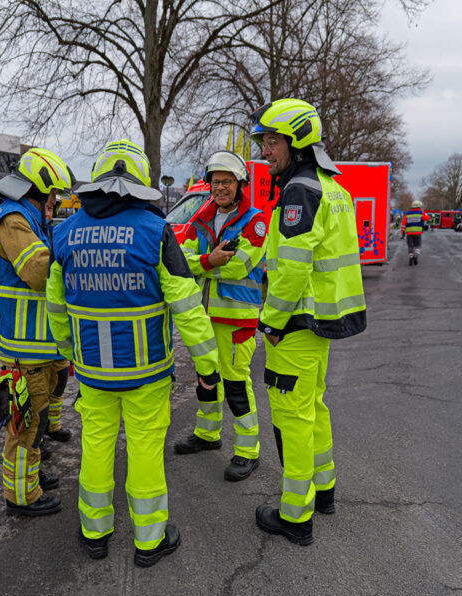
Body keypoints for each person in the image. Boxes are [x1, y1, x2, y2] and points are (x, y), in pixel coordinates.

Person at [46, 139, 220, 567]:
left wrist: (70, 353)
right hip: (146, 374)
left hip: (92, 374)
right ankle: (149, 540)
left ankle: (94, 533)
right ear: (141, 184)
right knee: (145, 452)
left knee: (97, 448)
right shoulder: (156, 231)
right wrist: (208, 366)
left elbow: (55, 307)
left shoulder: (63, 232)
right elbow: (187, 307)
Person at [248, 99, 366, 545]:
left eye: (272, 141)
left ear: (296, 142)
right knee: (313, 407)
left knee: (291, 418)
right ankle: (323, 491)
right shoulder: (331, 185)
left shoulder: (299, 190)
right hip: (321, 323)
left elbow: (294, 268)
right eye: (264, 141)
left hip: (295, 324)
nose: (265, 150)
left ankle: (295, 516)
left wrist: (271, 321)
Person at [0, 148, 74, 517]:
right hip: (22, 345)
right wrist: (78, 259)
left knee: (41, 412)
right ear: (38, 189)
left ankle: (32, 472)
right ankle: (22, 497)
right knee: (27, 422)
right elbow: (39, 272)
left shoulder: (29, 216)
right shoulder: (14, 220)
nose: (56, 202)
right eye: (54, 194)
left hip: (38, 343)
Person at [172, 151, 267, 481]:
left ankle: (247, 451)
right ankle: (207, 435)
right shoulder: (200, 217)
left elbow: (240, 264)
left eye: (227, 181)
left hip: (237, 320)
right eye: (216, 182)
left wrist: (203, 262)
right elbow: (181, 261)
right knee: (207, 382)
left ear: (240, 184)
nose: (220, 187)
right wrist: (210, 260)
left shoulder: (255, 221)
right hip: (204, 318)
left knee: (237, 384)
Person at [402, 200, 426, 265]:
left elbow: (403, 223)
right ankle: (415, 256)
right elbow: (427, 218)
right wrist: (423, 211)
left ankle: (410, 258)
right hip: (418, 233)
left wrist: (402, 232)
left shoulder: (407, 213)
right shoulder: (421, 213)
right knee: (418, 245)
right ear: (419, 206)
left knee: (410, 246)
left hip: (409, 234)